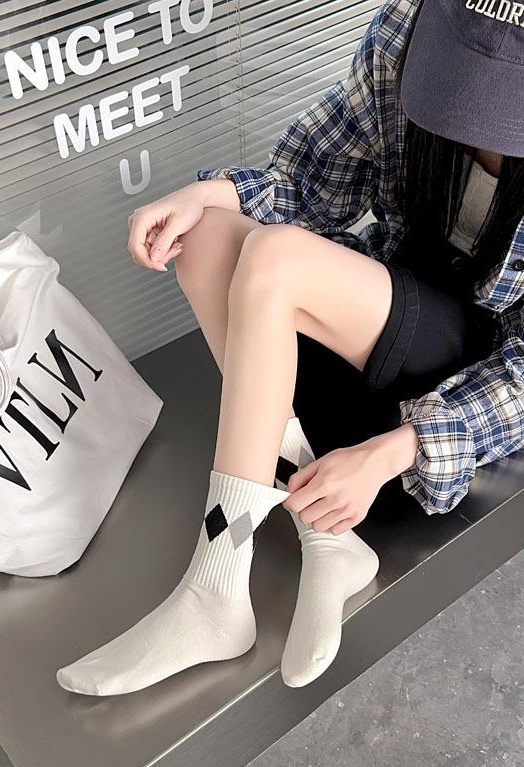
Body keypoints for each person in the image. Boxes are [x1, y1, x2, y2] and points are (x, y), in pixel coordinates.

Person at [56, 0, 524, 696]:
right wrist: (207, 195)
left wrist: (394, 451)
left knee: (276, 257)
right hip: (377, 326)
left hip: (465, 375)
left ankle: (215, 584)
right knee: (207, 236)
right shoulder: (409, 31)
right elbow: (312, 181)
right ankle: (326, 537)